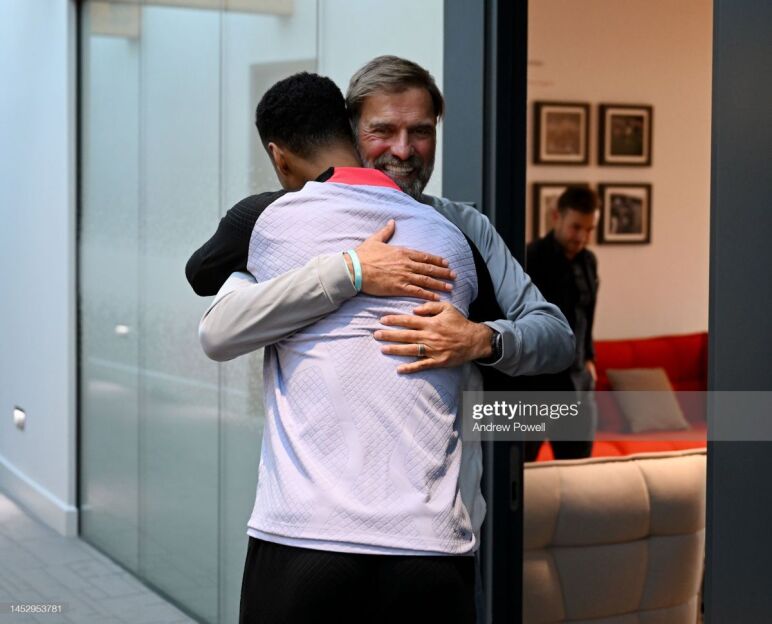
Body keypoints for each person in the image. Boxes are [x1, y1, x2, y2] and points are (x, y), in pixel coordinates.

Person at [185, 56, 575, 623]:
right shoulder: (285, 219)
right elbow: (212, 304)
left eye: (421, 131)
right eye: (383, 130)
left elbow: (556, 337)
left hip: (432, 534)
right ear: (349, 132)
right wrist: (351, 269)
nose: (404, 148)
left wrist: (482, 339)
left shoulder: (463, 229)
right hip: (314, 531)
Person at [524, 186, 600, 461]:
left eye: (589, 230)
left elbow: (587, 314)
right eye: (576, 227)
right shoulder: (530, 257)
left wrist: (589, 358)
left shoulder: (589, 262)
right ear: (557, 217)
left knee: (578, 469)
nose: (582, 237)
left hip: (578, 382)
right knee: (521, 467)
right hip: (535, 384)